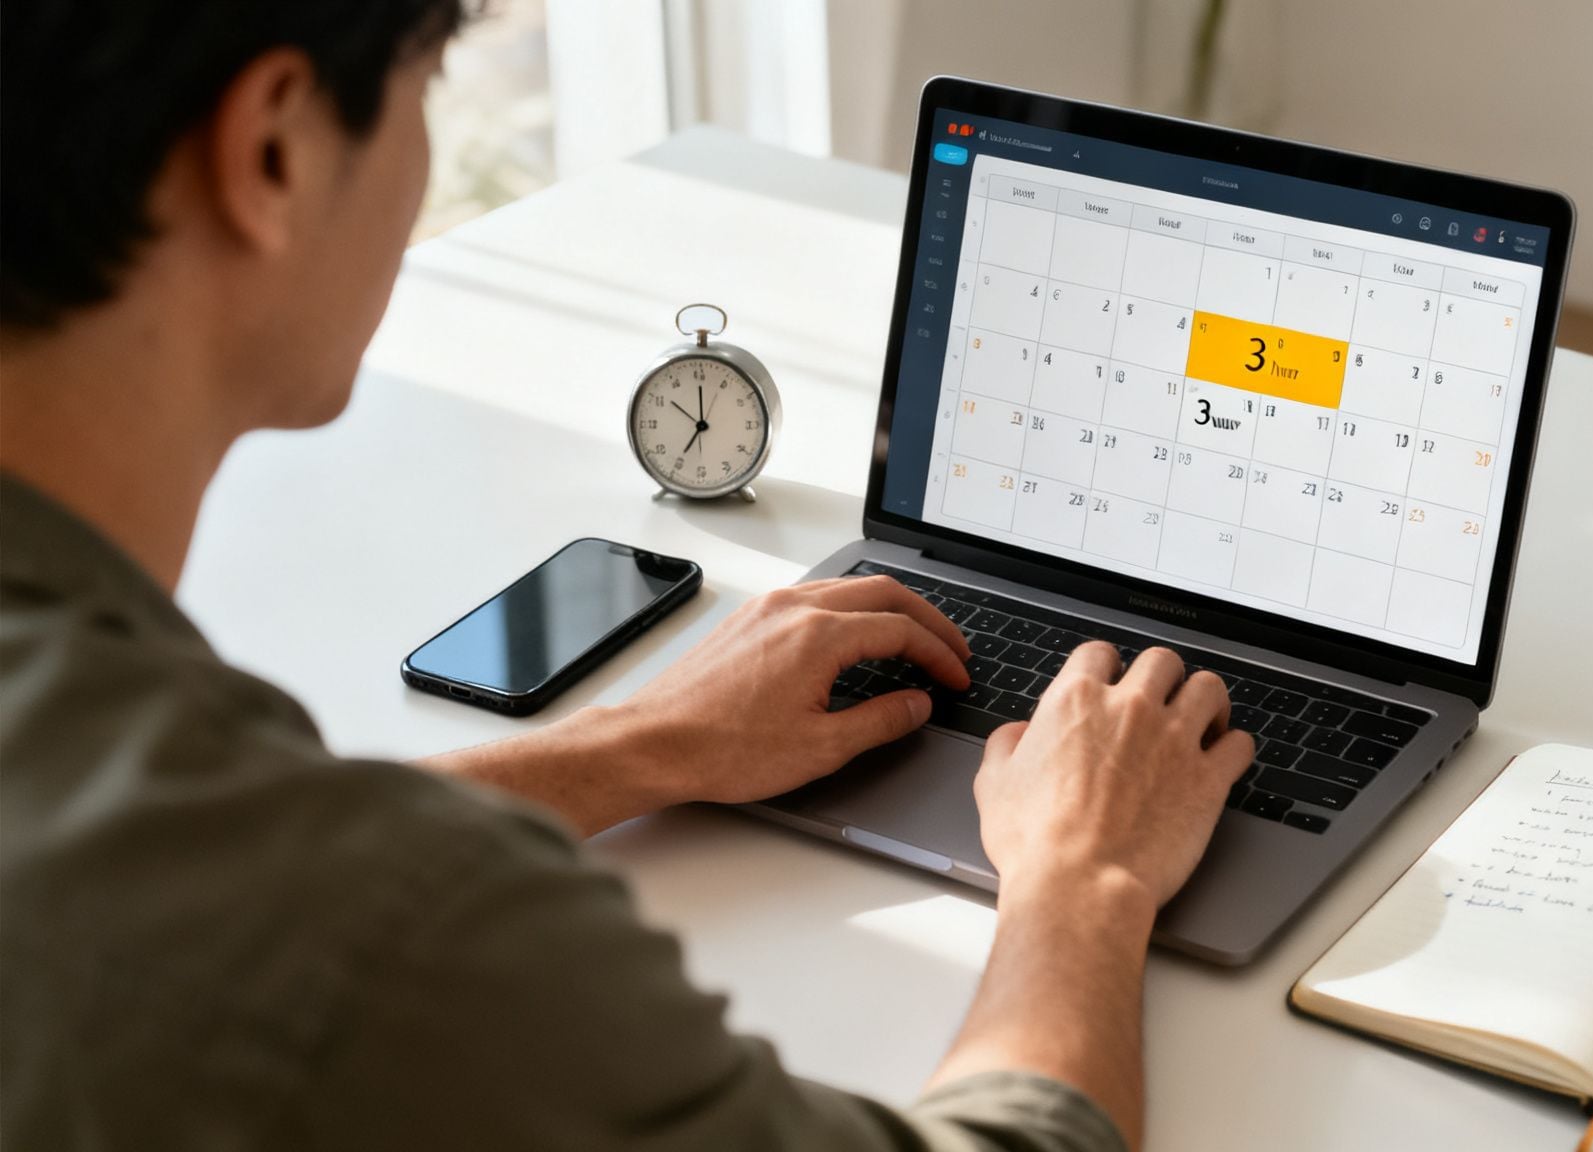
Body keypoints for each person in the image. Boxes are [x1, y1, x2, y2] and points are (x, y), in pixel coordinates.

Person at [0, 3, 1256, 1149]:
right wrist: (1082, 877)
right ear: (272, 150)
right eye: (425, 85)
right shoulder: (372, 935)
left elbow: (219, 874)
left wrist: (629, 746)